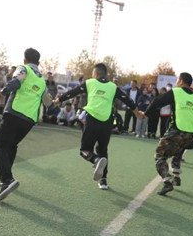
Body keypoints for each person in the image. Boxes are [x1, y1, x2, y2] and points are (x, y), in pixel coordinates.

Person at [55, 62, 140, 190]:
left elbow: (72, 92)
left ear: (95, 73)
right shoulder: (113, 87)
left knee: (84, 151)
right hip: (107, 122)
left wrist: (58, 100)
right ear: (106, 74)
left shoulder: (90, 83)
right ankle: (103, 180)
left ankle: (95, 160)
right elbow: (127, 100)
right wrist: (138, 113)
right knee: (103, 150)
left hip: (92, 120)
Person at [0, 48, 52, 202]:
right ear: (39, 62)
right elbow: (48, 101)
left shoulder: (23, 69)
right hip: (29, 120)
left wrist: (2, 92)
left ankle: (7, 180)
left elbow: (16, 82)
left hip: (15, 112)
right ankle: (6, 180)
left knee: (0, 146)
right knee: (11, 146)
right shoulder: (42, 80)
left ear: (25, 60)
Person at [142, 72, 193, 196]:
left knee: (159, 155)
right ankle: (176, 177)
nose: (176, 82)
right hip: (192, 134)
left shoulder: (176, 92)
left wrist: (145, 114)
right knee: (178, 152)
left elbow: (157, 102)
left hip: (177, 130)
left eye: (177, 80)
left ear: (181, 81)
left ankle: (167, 181)